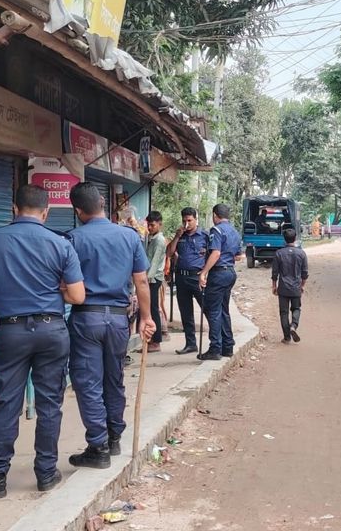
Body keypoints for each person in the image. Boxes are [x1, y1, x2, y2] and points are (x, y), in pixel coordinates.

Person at [0, 185, 85, 499]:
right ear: (46, 212)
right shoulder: (61, 244)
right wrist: (56, 288)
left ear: (13, 208)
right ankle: (46, 474)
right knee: (50, 405)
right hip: (52, 332)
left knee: (6, 403)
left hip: (11, 332)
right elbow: (77, 296)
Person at [66, 183, 155, 470]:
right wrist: (146, 317)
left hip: (86, 317)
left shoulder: (72, 240)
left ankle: (98, 446)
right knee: (113, 378)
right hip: (119, 319)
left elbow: (64, 285)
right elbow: (141, 281)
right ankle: (115, 437)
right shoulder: (129, 237)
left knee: (88, 382)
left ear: (77, 210)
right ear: (103, 204)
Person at [197, 203, 242, 361]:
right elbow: (238, 256)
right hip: (230, 271)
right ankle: (227, 346)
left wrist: (204, 272)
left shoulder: (216, 230)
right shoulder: (235, 232)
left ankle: (215, 348)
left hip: (219, 273)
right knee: (223, 309)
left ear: (215, 215)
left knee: (213, 310)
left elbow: (216, 253)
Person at [166, 207, 207, 355]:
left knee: (208, 308)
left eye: (189, 220)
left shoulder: (205, 236)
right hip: (181, 278)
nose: (186, 223)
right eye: (184, 221)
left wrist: (206, 273)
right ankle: (191, 344)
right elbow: (169, 253)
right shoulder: (180, 235)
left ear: (196, 220)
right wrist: (177, 237)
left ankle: (217, 342)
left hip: (197, 277)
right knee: (186, 312)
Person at [271, 228, 309, 343]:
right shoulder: (301, 253)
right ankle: (294, 326)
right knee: (296, 308)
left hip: (283, 287)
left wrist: (274, 286)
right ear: (295, 238)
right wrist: (302, 285)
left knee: (284, 312)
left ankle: (287, 337)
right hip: (296, 287)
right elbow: (305, 273)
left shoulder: (279, 253)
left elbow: (275, 272)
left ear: (284, 239)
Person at [144, 211, 166, 353]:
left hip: (153, 279)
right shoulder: (151, 238)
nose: (150, 227)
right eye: (149, 225)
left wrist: (145, 280)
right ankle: (152, 340)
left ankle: (156, 341)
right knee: (150, 309)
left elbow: (155, 262)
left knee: (152, 309)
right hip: (149, 278)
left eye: (152, 225)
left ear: (159, 224)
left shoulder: (159, 240)